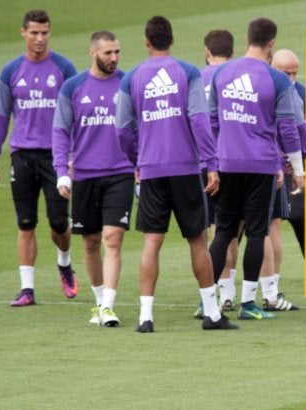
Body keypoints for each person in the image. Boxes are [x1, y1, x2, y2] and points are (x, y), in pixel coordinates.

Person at [115, 15, 237, 332]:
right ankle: (211, 313)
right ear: (172, 40)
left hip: (152, 169)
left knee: (152, 242)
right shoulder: (188, 72)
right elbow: (199, 119)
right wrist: (211, 163)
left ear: (146, 41)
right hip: (185, 168)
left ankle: (145, 317)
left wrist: (137, 160)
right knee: (197, 239)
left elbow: (122, 129)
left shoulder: (131, 78)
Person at [206, 17, 306, 320]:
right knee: (257, 232)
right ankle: (249, 303)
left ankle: (209, 301)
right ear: (272, 44)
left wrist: (213, 162)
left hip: (227, 163)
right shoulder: (276, 80)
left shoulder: (222, 73)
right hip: (261, 165)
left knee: (223, 232)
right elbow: (288, 128)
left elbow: (211, 122)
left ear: (247, 38)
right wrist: (297, 168)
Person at [0, 10, 78, 307]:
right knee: (25, 222)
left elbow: (77, 115)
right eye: (35, 33)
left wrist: (74, 155)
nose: (40, 39)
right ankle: (27, 289)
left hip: (56, 157)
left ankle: (64, 262)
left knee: (59, 221)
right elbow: (0, 116)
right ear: (23, 32)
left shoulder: (64, 68)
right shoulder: (11, 71)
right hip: (22, 156)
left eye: (45, 33)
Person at [52, 30, 134, 327]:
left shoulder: (127, 83)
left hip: (121, 173)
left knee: (113, 239)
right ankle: (99, 303)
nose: (114, 58)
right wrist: (62, 172)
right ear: (93, 53)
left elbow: (138, 128)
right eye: (108, 53)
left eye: (117, 52)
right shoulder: (72, 88)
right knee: (90, 243)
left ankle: (109, 306)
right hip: (85, 175)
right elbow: (60, 131)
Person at [271, 47, 306, 284]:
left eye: (295, 73)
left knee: (298, 215)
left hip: (293, 166)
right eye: (287, 73)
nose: (292, 79)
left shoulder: (303, 92)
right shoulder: (264, 89)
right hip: (267, 166)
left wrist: (301, 146)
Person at [201, 29, 241, 312]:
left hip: (200, 163)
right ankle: (227, 293)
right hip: (231, 160)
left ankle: (209, 292)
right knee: (229, 230)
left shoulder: (194, 77)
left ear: (207, 52)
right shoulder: (236, 77)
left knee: (207, 232)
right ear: (233, 52)